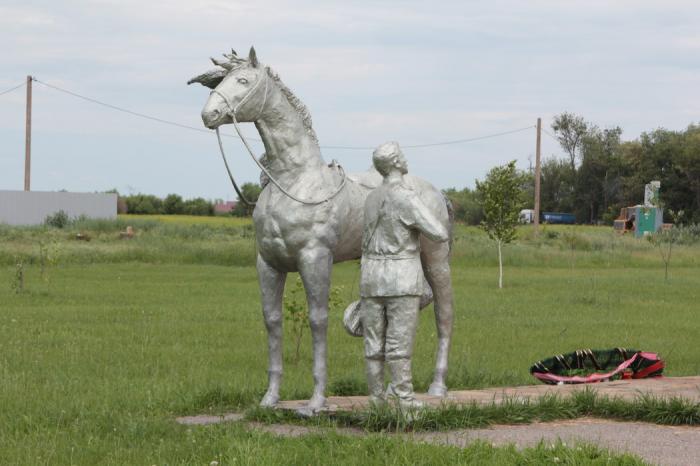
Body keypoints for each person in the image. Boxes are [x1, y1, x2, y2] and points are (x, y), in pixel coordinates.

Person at [360, 141, 449, 408]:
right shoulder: (407, 196)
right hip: (401, 277)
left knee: (374, 346)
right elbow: (439, 232)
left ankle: (376, 399)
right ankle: (404, 398)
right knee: (399, 343)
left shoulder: (371, 198)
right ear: (397, 162)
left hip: (371, 278)